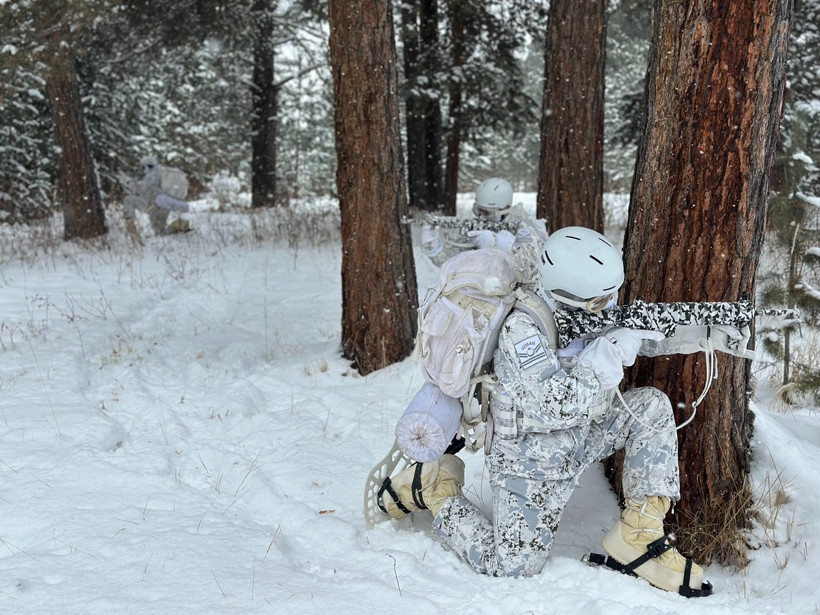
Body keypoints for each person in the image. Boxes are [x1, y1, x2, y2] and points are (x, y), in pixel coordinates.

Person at [380, 226, 713, 595]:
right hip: (528, 463)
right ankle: (435, 488)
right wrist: (608, 356)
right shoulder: (521, 331)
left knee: (650, 407)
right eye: (604, 300)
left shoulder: (577, 309)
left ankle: (639, 535)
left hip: (582, 437)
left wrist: (697, 331)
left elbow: (618, 331)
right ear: (570, 295)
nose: (612, 304)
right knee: (511, 568)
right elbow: (557, 405)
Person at [420, 178, 548, 278]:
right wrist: (432, 246)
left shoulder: (524, 225)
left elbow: (534, 267)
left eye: (487, 213)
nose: (481, 217)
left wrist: (502, 245)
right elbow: (450, 263)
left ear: (504, 210)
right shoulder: (477, 226)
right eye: (478, 210)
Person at [123, 155, 191, 241]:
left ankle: (130, 223)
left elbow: (142, 190)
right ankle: (178, 225)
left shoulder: (152, 175)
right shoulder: (161, 173)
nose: (142, 169)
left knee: (128, 199)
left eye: (143, 166)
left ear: (147, 166)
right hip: (163, 206)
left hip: (152, 205)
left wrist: (128, 183)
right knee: (160, 232)